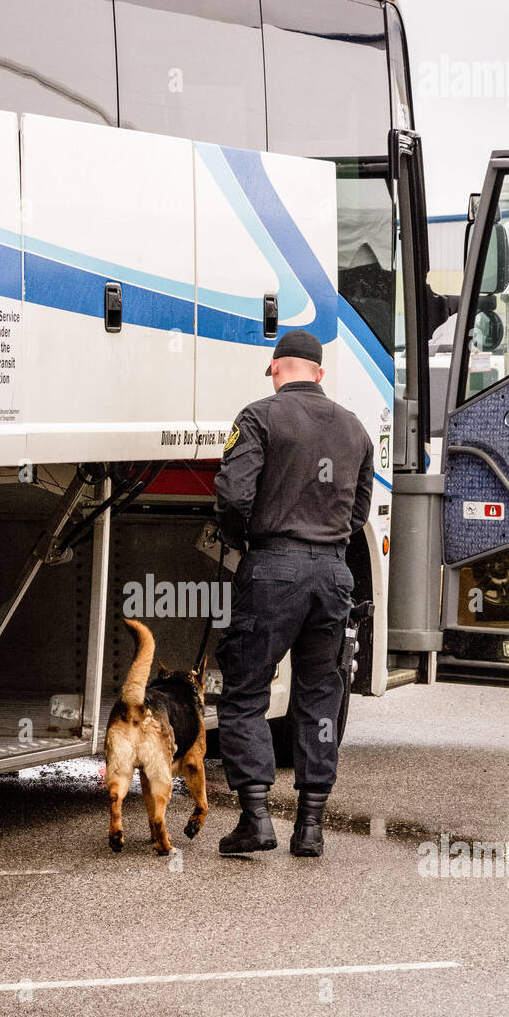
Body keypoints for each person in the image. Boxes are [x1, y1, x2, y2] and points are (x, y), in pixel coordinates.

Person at [214, 329, 374, 858]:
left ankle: (256, 819)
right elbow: (359, 515)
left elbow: (234, 494)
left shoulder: (259, 417)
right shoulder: (355, 429)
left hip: (273, 571)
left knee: (245, 692)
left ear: (274, 369)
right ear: (320, 374)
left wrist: (243, 540)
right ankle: (311, 828)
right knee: (320, 697)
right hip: (334, 576)